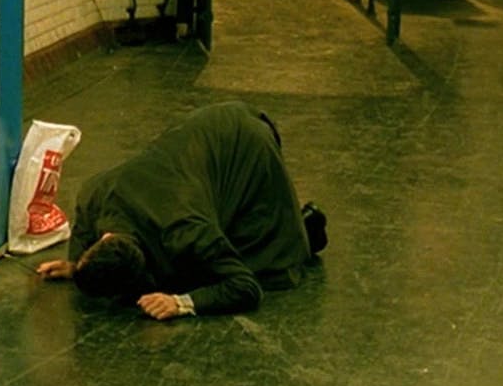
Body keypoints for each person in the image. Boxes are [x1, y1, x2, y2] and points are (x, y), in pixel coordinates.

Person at [36, 101, 327, 319]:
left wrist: (182, 303)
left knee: (268, 255)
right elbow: (84, 238)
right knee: (191, 264)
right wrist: (76, 265)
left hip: (243, 142)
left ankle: (307, 227)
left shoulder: (185, 230)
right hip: (197, 149)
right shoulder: (94, 196)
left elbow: (246, 287)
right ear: (104, 238)